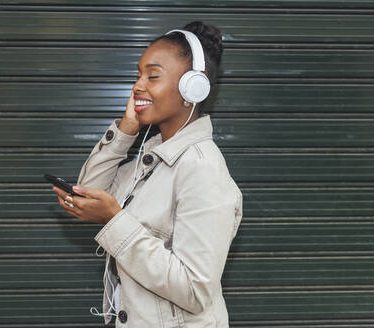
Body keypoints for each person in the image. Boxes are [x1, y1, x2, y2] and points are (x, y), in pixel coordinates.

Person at [52, 21, 243, 327]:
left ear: (192, 87)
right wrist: (127, 130)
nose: (138, 86)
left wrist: (115, 220)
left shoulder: (201, 168)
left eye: (152, 76)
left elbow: (196, 290)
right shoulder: (150, 158)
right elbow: (87, 192)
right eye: (138, 75)